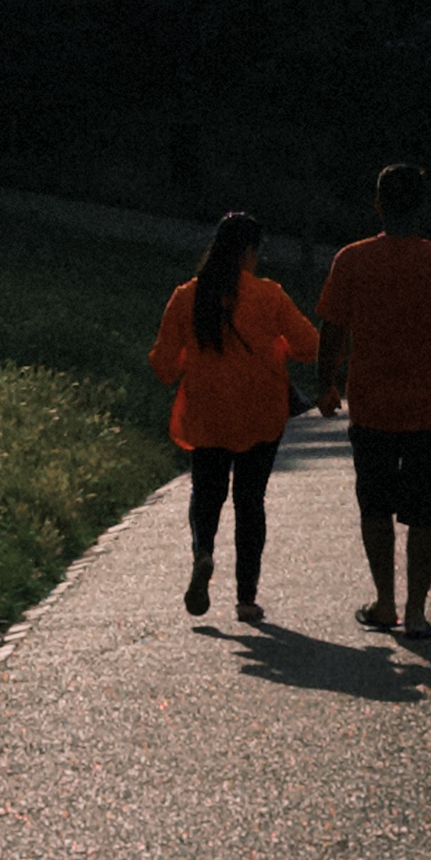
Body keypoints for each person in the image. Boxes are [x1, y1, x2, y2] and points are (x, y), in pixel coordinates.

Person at [318, 163, 431, 641]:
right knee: (427, 512)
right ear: (422, 206)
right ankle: (417, 612)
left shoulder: (351, 260)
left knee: (376, 506)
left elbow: (332, 329)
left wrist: (326, 383)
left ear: (378, 204)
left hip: (373, 406)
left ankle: (384, 603)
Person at [150, 213, 322, 624]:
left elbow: (163, 366)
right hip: (260, 412)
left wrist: (193, 356)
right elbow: (309, 345)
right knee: (250, 502)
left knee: (206, 494)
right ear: (248, 251)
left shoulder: (187, 296)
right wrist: (276, 346)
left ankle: (203, 553)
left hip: (207, 411)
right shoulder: (269, 294)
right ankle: (246, 599)